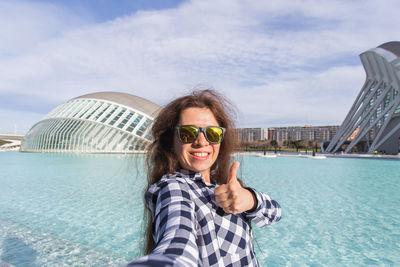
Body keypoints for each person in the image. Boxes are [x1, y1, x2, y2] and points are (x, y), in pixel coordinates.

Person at [127, 90, 281, 267]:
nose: (201, 141)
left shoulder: (224, 182)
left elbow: (275, 213)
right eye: (188, 133)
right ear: (171, 140)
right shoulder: (174, 188)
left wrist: (251, 200)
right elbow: (177, 241)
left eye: (213, 133)